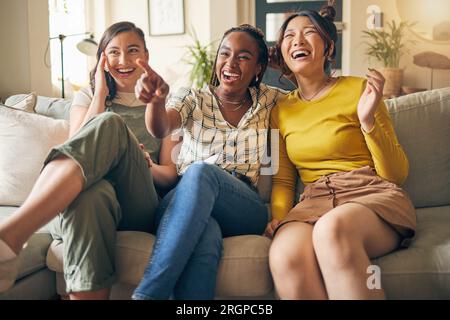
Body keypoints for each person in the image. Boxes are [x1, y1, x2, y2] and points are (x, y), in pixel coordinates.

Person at [0, 21, 179, 299]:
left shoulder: (160, 103)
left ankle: (12, 235)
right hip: (91, 193)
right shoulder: (87, 96)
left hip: (138, 203)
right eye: (114, 52)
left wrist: (148, 165)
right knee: (90, 197)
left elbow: (171, 175)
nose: (123, 60)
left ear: (146, 55)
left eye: (133, 51)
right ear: (102, 59)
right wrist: (99, 94)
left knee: (111, 125)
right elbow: (76, 148)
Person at [265, 3, 416, 300]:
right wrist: (279, 216)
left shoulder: (360, 89)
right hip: (315, 201)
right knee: (284, 254)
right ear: (283, 52)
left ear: (329, 48)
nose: (298, 41)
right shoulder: (278, 111)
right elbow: (283, 179)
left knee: (331, 230)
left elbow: (396, 174)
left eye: (309, 33)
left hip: (370, 194)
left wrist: (367, 120)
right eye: (289, 36)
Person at [131, 24, 286, 300]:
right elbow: (162, 127)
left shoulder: (271, 100)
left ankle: (148, 295)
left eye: (243, 57)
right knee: (206, 236)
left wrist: (285, 69)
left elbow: (311, 99)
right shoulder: (192, 97)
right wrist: (155, 102)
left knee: (203, 172)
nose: (231, 63)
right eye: (224, 54)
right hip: (182, 199)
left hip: (240, 206)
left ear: (259, 68)